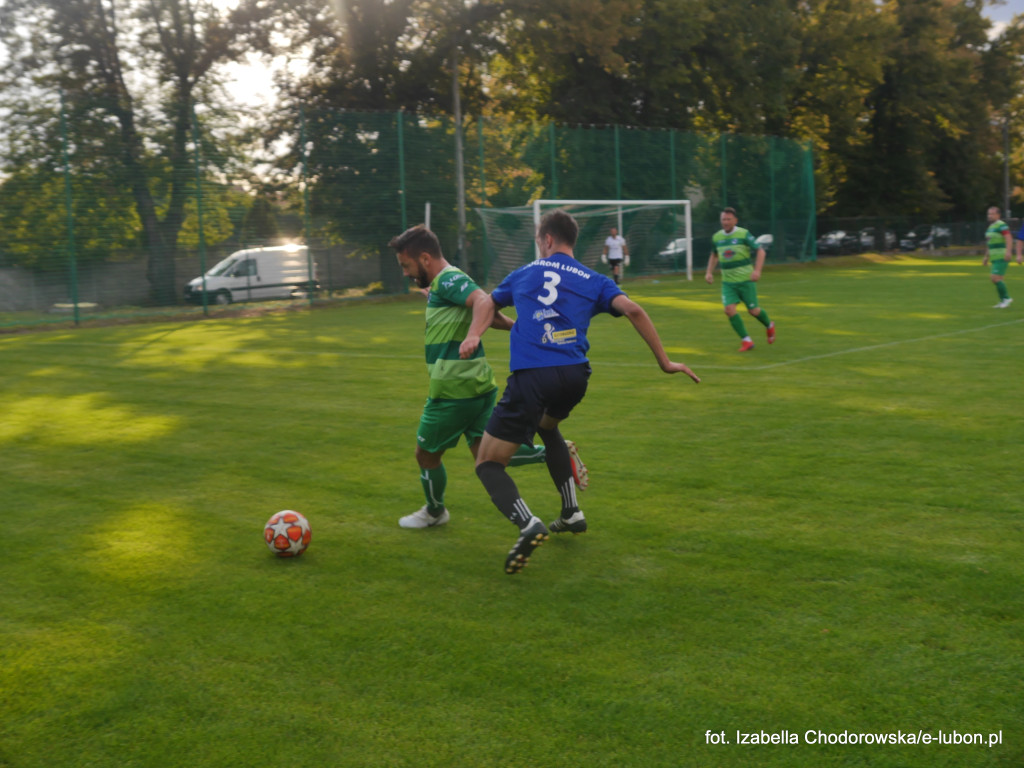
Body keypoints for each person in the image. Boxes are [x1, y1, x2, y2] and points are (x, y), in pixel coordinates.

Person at [459, 209, 700, 575]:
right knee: (548, 426)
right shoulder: (594, 278)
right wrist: (665, 362)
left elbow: (488, 302)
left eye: (539, 241)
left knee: (488, 464)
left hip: (532, 376)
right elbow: (633, 309)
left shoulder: (525, 272)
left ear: (548, 240)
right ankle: (571, 511)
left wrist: (475, 334)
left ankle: (529, 524)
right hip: (574, 375)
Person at [389, 225, 588, 530]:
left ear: (425, 258)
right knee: (487, 455)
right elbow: (488, 311)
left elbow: (484, 302)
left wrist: (471, 334)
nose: (405, 273)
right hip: (477, 385)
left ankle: (434, 512)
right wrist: (517, 328)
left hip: (453, 390)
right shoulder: (446, 283)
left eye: (406, 265)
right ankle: (553, 451)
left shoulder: (450, 279)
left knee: (426, 454)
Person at [705, 207, 775, 351]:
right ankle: (746, 340)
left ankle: (769, 325)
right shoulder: (717, 237)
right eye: (723, 219)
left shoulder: (743, 234)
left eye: (728, 219)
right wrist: (709, 272)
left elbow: (760, 251)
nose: (725, 222)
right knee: (729, 310)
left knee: (753, 311)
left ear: (735, 220)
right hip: (728, 283)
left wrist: (757, 270)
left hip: (745, 280)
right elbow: (714, 255)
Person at [986, 206, 1019, 308]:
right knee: (998, 278)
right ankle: (1003, 300)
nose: (990, 216)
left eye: (992, 214)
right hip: (994, 257)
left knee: (994, 278)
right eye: (989, 214)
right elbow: (989, 243)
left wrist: (1008, 252)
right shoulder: (990, 227)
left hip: (1001, 255)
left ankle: (1006, 298)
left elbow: (1008, 238)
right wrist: (986, 256)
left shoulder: (1002, 225)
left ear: (998, 215)